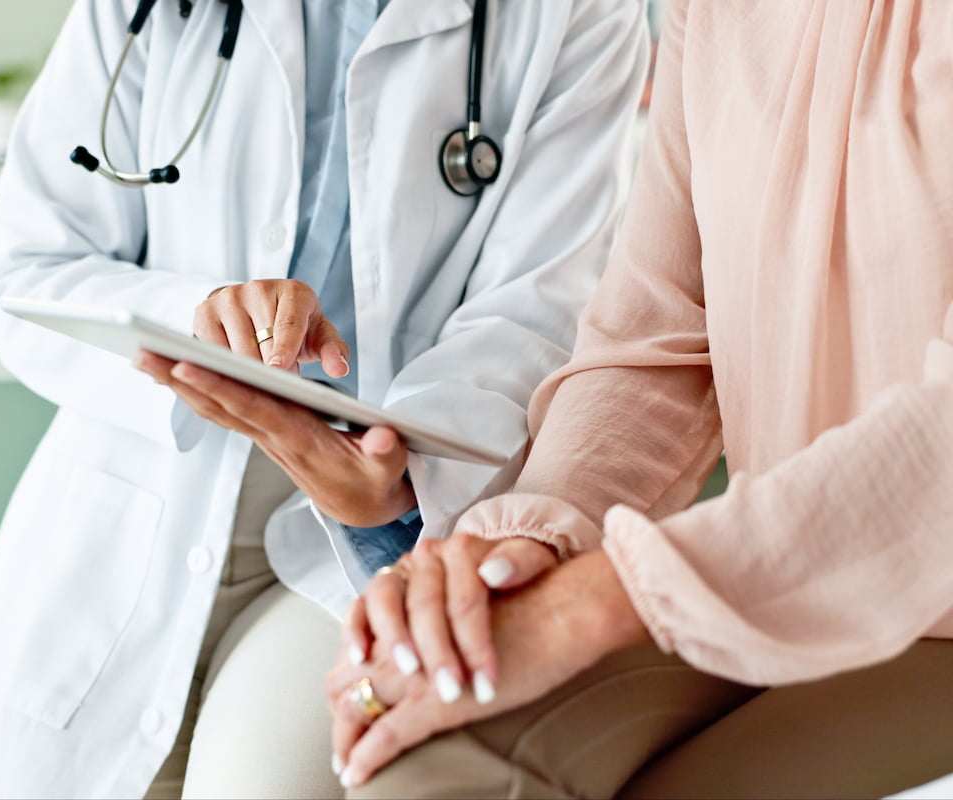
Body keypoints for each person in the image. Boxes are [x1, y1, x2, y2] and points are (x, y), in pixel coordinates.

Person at [0, 0, 650, 797]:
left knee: (265, 779)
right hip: (142, 496)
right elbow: (25, 272)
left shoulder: (576, 14)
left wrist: (394, 481)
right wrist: (199, 318)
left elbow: (535, 310)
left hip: (374, 530)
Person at [326, 0, 953, 797]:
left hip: (931, 617)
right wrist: (512, 550)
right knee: (426, 757)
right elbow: (655, 343)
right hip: (755, 578)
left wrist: (599, 602)